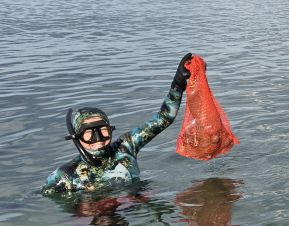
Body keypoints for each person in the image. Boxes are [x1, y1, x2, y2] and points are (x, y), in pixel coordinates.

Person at [42, 54, 193, 195]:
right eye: (89, 133)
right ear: (77, 137)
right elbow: (37, 198)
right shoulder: (67, 173)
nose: (98, 139)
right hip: (96, 216)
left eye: (103, 130)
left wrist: (178, 83)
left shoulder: (125, 147)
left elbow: (164, 117)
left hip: (132, 208)